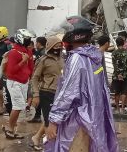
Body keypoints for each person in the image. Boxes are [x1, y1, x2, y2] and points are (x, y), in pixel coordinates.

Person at [45, 15, 118, 152]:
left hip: (78, 120)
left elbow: (68, 93)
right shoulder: (93, 56)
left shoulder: (77, 58)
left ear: (74, 35)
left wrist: (54, 121)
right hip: (93, 118)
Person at [30, 36, 64, 150]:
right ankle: (51, 147)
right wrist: (35, 95)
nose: (58, 47)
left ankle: (36, 137)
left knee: (55, 120)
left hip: (60, 94)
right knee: (49, 122)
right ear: (50, 46)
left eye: (60, 45)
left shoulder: (63, 58)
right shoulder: (43, 60)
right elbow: (34, 78)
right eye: (56, 45)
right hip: (46, 93)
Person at [3, 29, 36, 139]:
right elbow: (11, 71)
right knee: (18, 106)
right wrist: (23, 61)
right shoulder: (13, 53)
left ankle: (12, 129)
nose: (29, 41)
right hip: (14, 82)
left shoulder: (28, 52)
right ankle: (9, 129)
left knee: (19, 106)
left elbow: (31, 67)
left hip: (24, 82)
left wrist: (30, 77)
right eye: (27, 39)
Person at [111, 36, 127, 113]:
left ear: (116, 43)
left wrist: (118, 73)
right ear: (123, 43)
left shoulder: (114, 53)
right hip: (125, 74)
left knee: (117, 92)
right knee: (124, 92)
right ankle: (122, 108)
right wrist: (123, 71)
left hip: (116, 75)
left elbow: (114, 64)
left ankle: (117, 108)